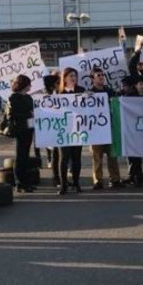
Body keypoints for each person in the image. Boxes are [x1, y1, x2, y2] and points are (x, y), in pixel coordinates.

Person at [88, 67, 124, 190]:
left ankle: (115, 179)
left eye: (102, 75)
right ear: (92, 79)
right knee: (97, 156)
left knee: (112, 155)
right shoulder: (90, 93)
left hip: (110, 128)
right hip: (96, 129)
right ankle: (97, 180)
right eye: (98, 75)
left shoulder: (110, 91)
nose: (101, 77)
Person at [57, 67, 85, 195]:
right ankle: (64, 185)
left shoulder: (81, 91)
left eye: (75, 76)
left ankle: (76, 182)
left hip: (78, 128)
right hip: (63, 129)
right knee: (64, 157)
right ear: (65, 78)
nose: (74, 78)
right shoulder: (59, 93)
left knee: (76, 157)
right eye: (71, 76)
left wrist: (90, 96)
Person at [7, 75, 36, 193]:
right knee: (20, 156)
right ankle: (19, 183)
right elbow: (13, 114)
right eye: (28, 84)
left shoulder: (28, 97)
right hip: (20, 128)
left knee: (26, 155)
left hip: (29, 127)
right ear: (23, 85)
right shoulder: (13, 98)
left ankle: (26, 181)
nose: (30, 86)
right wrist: (29, 114)